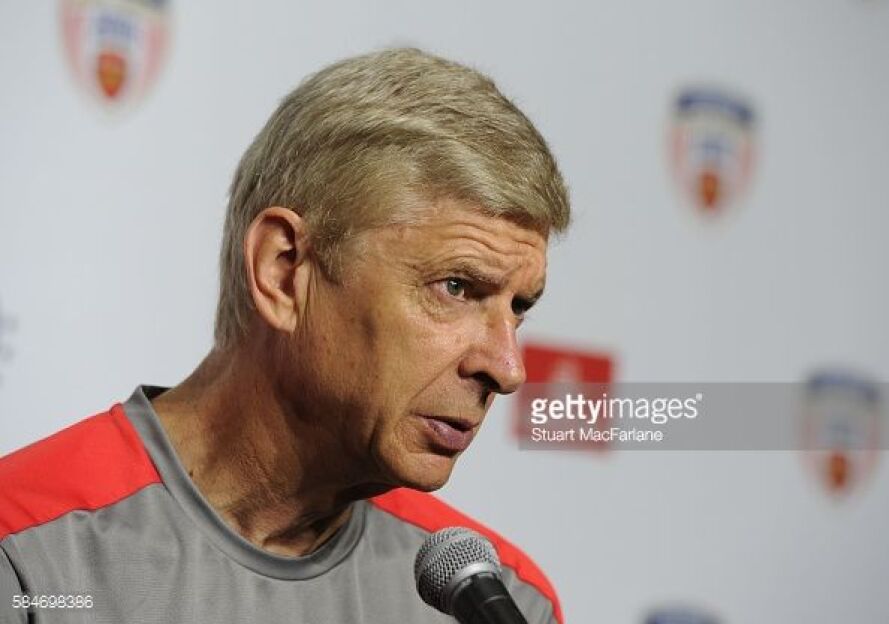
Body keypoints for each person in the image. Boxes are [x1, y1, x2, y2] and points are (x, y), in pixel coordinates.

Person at [0, 47, 570, 623]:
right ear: (284, 270)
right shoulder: (26, 555)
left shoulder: (495, 601)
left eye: (519, 307)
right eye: (456, 287)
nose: (508, 369)